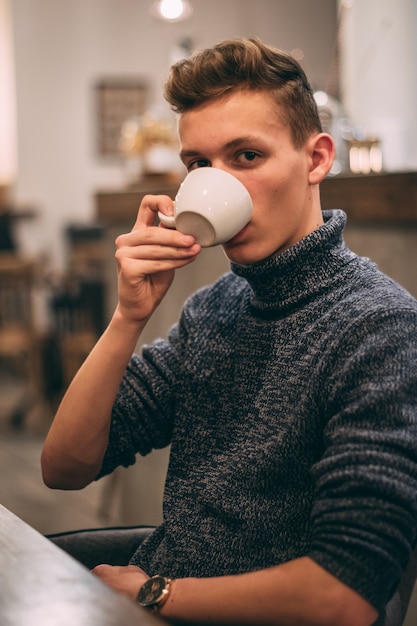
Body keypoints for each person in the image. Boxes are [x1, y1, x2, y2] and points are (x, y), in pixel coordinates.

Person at [41, 37, 417, 626]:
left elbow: (345, 596)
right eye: (200, 164)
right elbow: (64, 467)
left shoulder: (380, 329)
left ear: (317, 159)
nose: (221, 184)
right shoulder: (213, 309)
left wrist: (156, 593)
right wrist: (127, 318)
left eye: (247, 156)